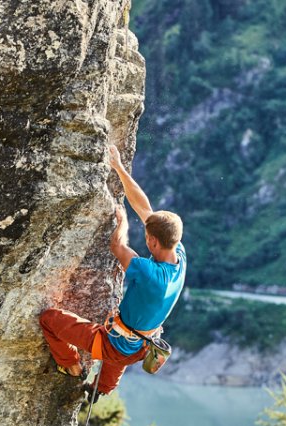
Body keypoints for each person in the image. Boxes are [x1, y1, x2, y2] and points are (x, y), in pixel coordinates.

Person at [39, 144, 187, 395]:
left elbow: (117, 246)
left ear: (152, 241)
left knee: (49, 320)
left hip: (116, 346)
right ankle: (102, 388)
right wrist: (118, 167)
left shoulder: (147, 272)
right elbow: (145, 208)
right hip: (141, 346)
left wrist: (123, 222)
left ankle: (71, 368)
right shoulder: (180, 256)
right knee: (119, 354)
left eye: (147, 236)